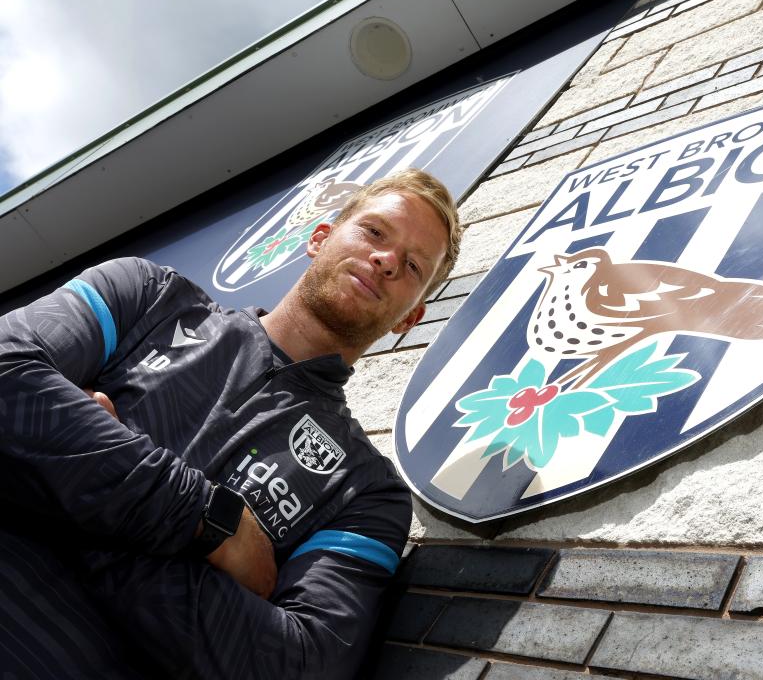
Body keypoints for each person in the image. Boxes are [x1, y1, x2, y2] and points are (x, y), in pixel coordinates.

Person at [0, 168, 462, 679]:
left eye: (415, 265)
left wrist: (75, 477)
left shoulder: (367, 494)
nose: (386, 260)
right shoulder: (143, 296)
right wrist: (209, 520)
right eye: (375, 232)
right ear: (321, 238)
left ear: (409, 319)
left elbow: (300, 666)